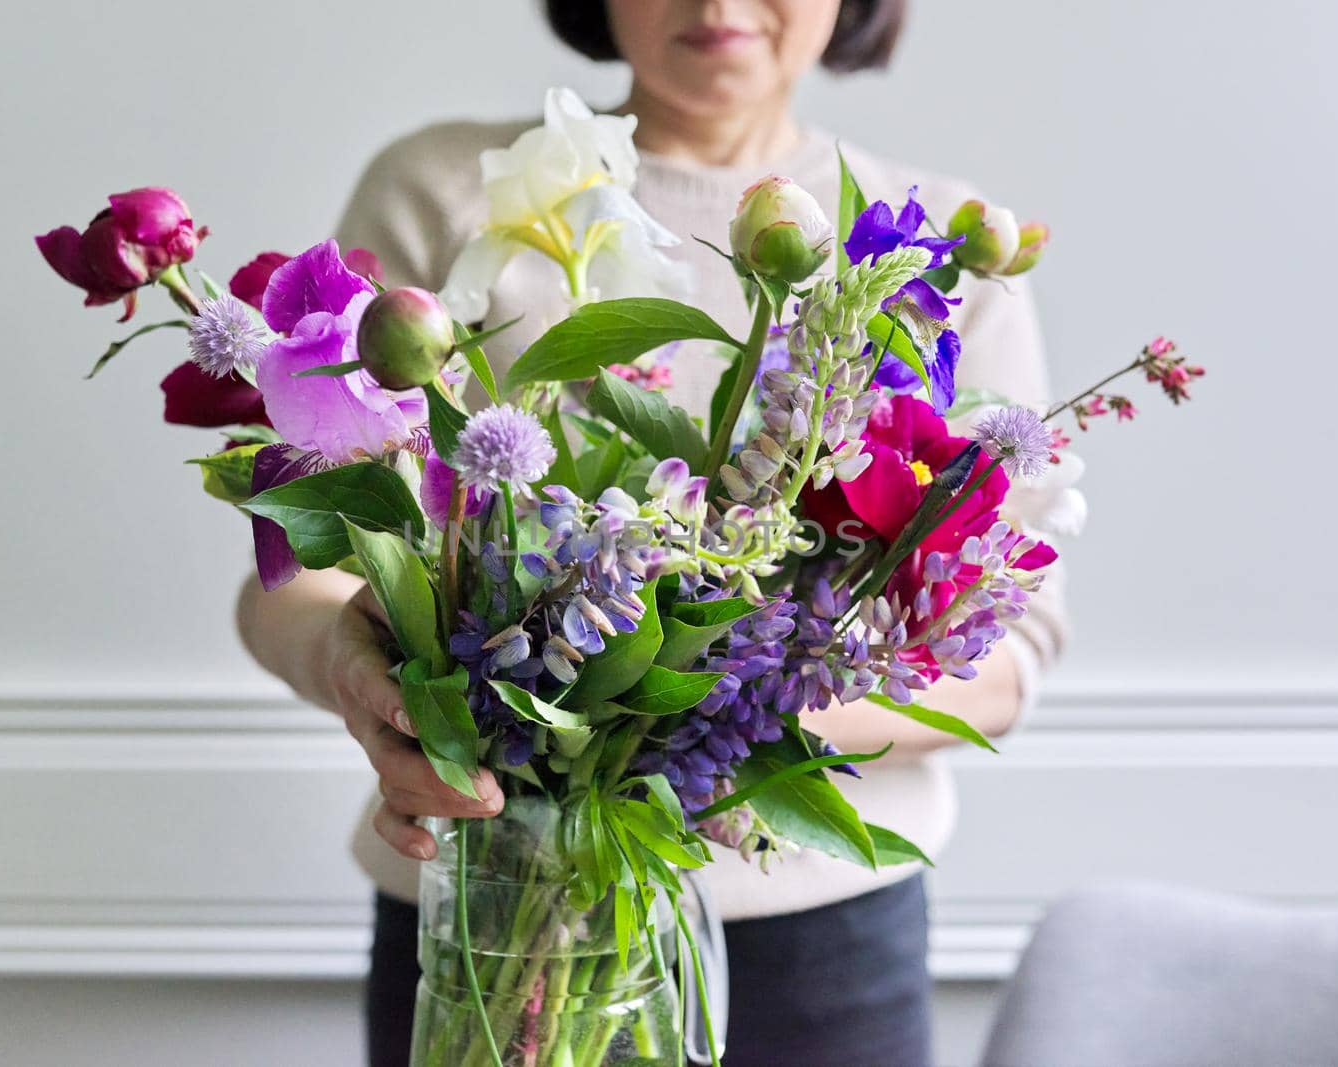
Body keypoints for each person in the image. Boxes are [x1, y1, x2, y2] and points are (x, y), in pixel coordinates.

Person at [236, 2, 1066, 1063]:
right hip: (489, 913)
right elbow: (288, 572)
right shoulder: (446, 189)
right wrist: (375, 687)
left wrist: (676, 717)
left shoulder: (937, 253)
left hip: (815, 948)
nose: (715, 5)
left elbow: (1005, 648)